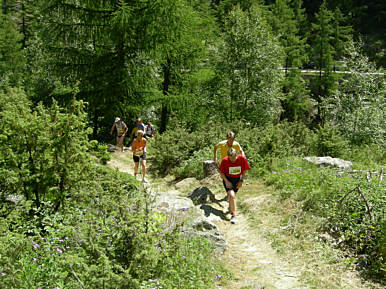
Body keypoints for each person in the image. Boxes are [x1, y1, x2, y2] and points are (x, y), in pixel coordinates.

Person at [219, 148, 250, 224]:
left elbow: (244, 170)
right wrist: (226, 182)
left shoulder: (242, 159)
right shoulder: (225, 161)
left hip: (237, 180)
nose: (232, 160)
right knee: (232, 196)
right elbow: (221, 173)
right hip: (228, 179)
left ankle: (230, 207)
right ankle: (233, 215)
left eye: (233, 158)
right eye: (230, 158)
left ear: (237, 155)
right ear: (228, 156)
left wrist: (241, 181)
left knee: (231, 197)